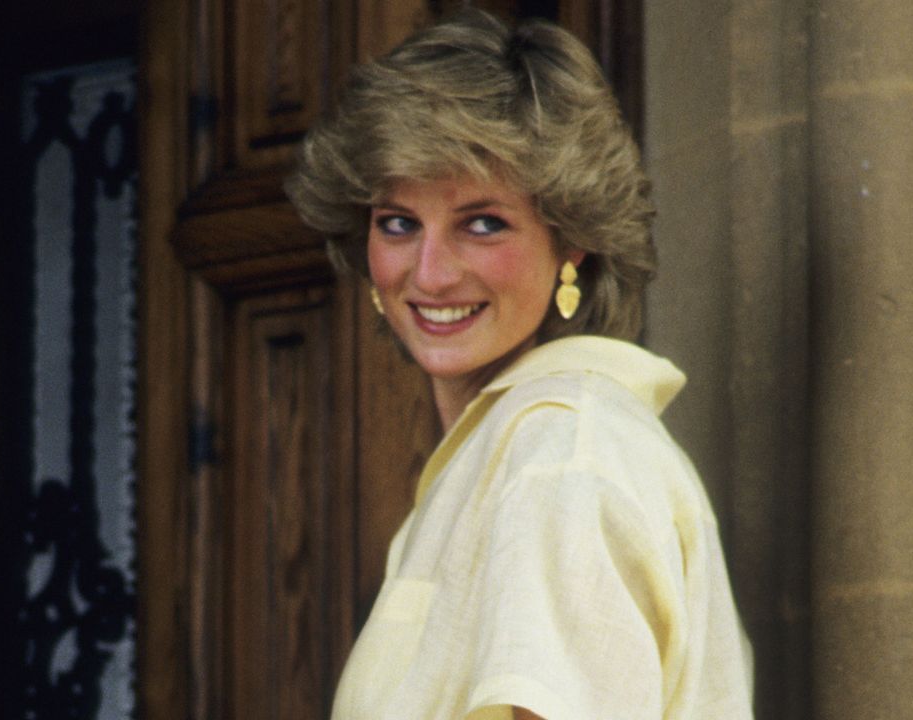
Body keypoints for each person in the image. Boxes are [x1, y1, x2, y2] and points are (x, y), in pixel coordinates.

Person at [287, 9, 753, 719]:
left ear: (572, 242)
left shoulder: (561, 451)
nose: (431, 273)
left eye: (482, 223)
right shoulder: (516, 452)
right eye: (398, 223)